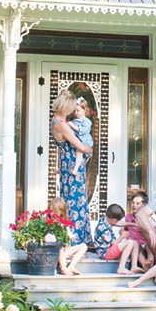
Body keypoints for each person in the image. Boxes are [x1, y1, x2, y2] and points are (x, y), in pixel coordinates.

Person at [50, 88, 96, 245]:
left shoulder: (55, 121)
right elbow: (80, 147)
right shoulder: (62, 125)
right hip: (72, 166)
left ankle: (74, 240)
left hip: (66, 163)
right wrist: (90, 149)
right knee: (74, 202)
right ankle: (74, 241)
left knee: (71, 200)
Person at [117, 189, 156, 275]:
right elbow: (123, 229)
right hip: (134, 245)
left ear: (144, 205)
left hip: (146, 244)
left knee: (148, 248)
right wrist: (122, 231)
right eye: (133, 203)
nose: (134, 205)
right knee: (137, 245)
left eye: (137, 203)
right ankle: (145, 264)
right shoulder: (128, 217)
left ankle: (150, 263)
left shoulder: (149, 218)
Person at [47, 195, 88, 275]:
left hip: (65, 251)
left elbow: (69, 239)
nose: (54, 215)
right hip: (54, 251)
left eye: (57, 213)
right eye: (52, 212)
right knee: (60, 246)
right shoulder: (48, 223)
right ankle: (63, 268)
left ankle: (71, 266)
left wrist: (70, 252)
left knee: (84, 246)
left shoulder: (64, 224)